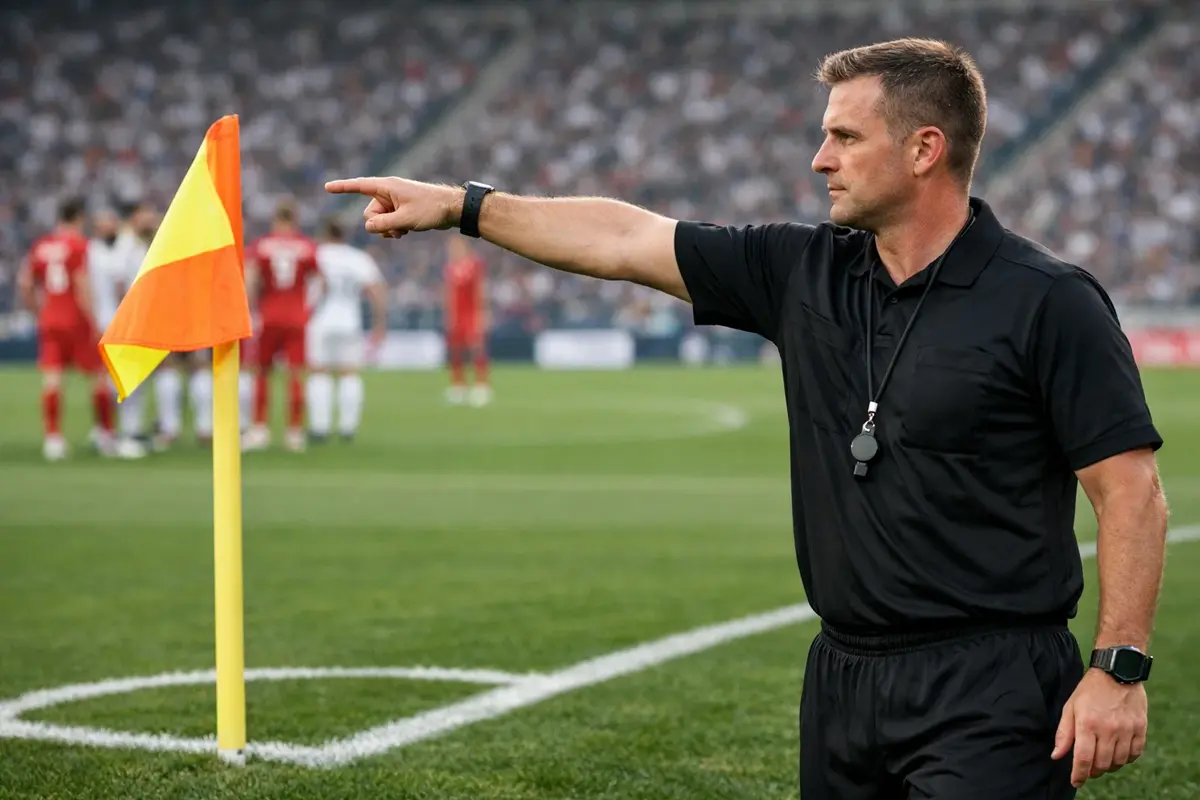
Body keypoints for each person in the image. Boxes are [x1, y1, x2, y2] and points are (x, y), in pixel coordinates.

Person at [327, 37, 1169, 799]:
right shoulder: (801, 270)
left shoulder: (1048, 301)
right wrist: (463, 206)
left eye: (844, 137)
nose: (818, 159)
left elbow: (1131, 494)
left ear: (924, 149)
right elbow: (626, 238)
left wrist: (1118, 669)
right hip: (842, 680)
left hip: (993, 686)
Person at [17, 198, 113, 461]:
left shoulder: (42, 245)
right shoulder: (79, 245)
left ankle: (53, 438)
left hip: (51, 319)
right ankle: (104, 434)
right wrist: (95, 320)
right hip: (77, 319)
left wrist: (38, 311)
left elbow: (25, 282)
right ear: (79, 217)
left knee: (53, 379)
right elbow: (82, 285)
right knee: (99, 377)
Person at [244, 200, 323, 452]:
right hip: (296, 318)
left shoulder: (262, 245)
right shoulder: (306, 246)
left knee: (261, 372)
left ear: (275, 221)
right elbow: (321, 282)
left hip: (268, 316)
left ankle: (259, 429)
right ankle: (295, 431)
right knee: (296, 373)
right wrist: (309, 310)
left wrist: (252, 308)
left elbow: (251, 279)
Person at [305, 217, 387, 442]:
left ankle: (319, 428)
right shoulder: (358, 258)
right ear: (345, 236)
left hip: (319, 320)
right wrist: (380, 324)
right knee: (349, 374)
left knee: (318, 373)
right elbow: (376, 292)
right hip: (349, 321)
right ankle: (347, 428)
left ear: (325, 234)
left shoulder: (315, 254)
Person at [89, 204, 152, 458]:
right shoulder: (127, 245)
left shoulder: (100, 248)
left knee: (118, 378)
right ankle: (125, 433)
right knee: (126, 378)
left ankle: (109, 430)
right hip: (119, 321)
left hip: (109, 319)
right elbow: (119, 284)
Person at [442, 237, 491, 406]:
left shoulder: (475, 265)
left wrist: (482, 314)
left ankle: (481, 386)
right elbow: (449, 294)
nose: (453, 251)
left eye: (456, 247)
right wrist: (449, 315)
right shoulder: (450, 268)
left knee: (476, 348)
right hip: (456, 315)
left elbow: (480, 291)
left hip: (471, 314)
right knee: (456, 350)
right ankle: (458, 386)